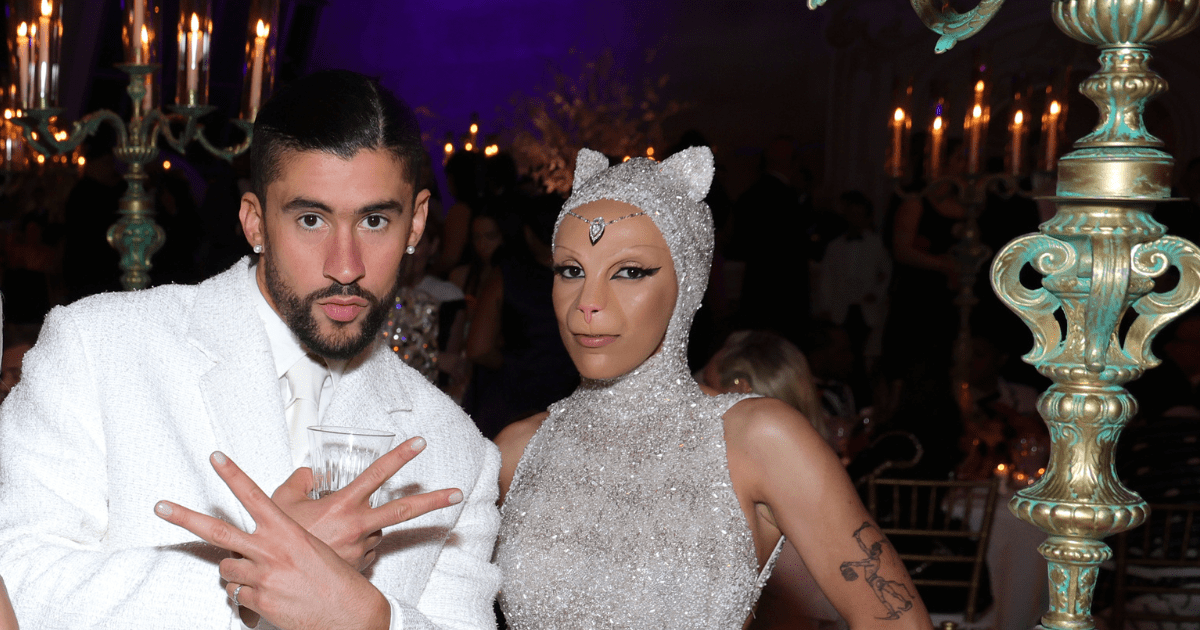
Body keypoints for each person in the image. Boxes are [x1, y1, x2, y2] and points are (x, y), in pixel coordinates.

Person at [0, 70, 500, 630]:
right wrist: (250, 583)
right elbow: (17, 578)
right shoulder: (98, 347)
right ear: (255, 222)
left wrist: (369, 617)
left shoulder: (458, 450)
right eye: (310, 220)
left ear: (418, 223)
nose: (345, 266)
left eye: (375, 220)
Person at [494, 147, 931, 629]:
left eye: (630, 272)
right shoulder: (517, 452)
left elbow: (897, 622)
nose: (588, 302)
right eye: (571, 270)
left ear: (688, 283)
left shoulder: (758, 439)